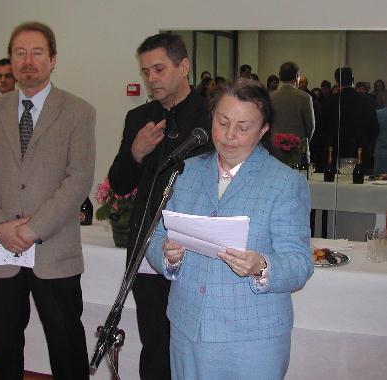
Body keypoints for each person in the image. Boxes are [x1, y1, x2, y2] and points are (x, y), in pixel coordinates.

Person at [146, 78, 314, 379]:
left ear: (263, 130)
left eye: (243, 127)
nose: (229, 135)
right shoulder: (187, 171)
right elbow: (156, 236)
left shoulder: (284, 182)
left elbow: (300, 263)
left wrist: (261, 265)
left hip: (252, 336)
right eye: (222, 122)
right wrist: (169, 256)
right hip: (188, 328)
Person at [0, 21, 95, 380]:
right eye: (20, 53)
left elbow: (78, 180)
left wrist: (33, 229)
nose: (28, 61)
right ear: (11, 59)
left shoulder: (78, 112)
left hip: (54, 248)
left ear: (53, 59)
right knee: (5, 345)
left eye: (37, 53)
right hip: (1, 248)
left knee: (66, 344)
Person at [108, 33, 211, 380]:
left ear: (184, 67)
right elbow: (120, 183)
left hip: (196, 251)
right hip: (146, 251)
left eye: (159, 69)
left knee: (191, 344)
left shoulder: (212, 116)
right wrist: (135, 152)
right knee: (155, 342)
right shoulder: (138, 117)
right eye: (145, 71)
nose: (151, 79)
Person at [323, 67, 379, 172]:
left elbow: (323, 127)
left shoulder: (330, 101)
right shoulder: (366, 101)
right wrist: (367, 143)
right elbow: (374, 128)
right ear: (352, 79)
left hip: (335, 151)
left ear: (336, 80)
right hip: (360, 151)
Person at [270, 61, 315, 159]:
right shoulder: (305, 97)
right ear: (296, 77)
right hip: (298, 151)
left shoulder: (270, 97)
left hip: (275, 151)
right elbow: (310, 127)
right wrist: (303, 142)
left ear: (280, 77)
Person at [375, 106, 387, 175]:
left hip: (381, 155)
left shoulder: (378, 114)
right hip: (381, 156)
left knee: (379, 183)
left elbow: (372, 134)